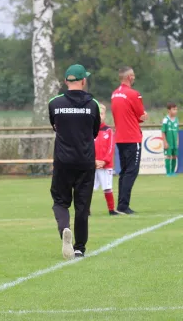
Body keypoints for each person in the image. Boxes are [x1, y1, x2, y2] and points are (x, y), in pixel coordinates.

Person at [48, 64, 101, 259]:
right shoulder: (93, 104)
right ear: (84, 81)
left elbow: (55, 126)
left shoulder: (54, 103)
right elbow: (94, 132)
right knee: (82, 206)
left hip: (63, 160)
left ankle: (64, 230)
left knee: (60, 202)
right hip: (85, 160)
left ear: (65, 82)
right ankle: (79, 248)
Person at [111, 66, 147, 214]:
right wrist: (143, 116)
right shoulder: (134, 94)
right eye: (133, 75)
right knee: (131, 171)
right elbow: (141, 116)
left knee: (124, 171)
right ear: (129, 77)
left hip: (120, 137)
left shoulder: (114, 94)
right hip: (132, 137)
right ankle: (123, 205)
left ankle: (121, 204)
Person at [93, 103, 120, 216]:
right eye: (97, 113)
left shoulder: (108, 130)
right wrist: (93, 161)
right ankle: (85, 210)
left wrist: (104, 161)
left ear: (105, 115)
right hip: (91, 165)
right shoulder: (88, 130)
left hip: (106, 165)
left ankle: (111, 209)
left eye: (102, 113)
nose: (99, 116)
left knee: (107, 188)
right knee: (87, 189)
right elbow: (86, 147)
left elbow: (111, 148)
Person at [162, 103, 179, 176]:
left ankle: (173, 172)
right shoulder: (165, 120)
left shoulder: (176, 120)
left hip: (175, 142)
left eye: (176, 109)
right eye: (174, 109)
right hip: (168, 142)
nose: (175, 111)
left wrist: (178, 141)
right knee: (168, 156)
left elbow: (177, 132)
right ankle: (168, 173)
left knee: (174, 156)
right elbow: (163, 132)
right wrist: (165, 142)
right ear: (169, 110)